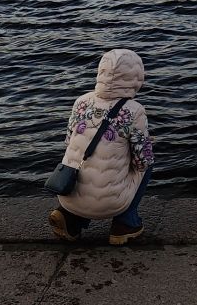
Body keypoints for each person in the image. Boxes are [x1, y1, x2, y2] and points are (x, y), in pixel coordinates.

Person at [49, 48, 154, 245]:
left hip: (66, 192)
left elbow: (68, 141)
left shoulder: (81, 101)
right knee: (147, 163)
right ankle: (125, 224)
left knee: (83, 154)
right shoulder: (135, 111)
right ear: (136, 77)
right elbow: (142, 161)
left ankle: (71, 217)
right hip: (110, 203)